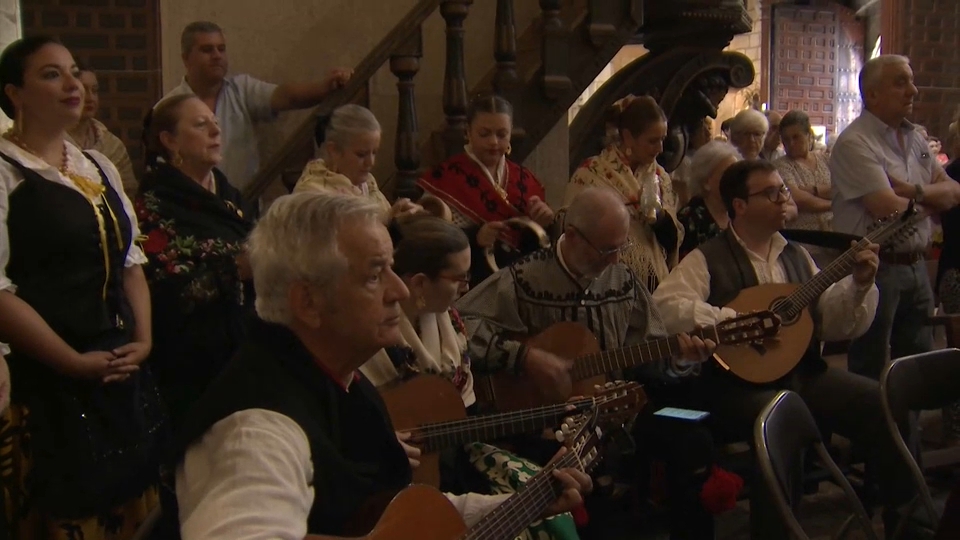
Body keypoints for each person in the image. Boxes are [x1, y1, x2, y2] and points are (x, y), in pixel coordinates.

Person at [167, 192, 592, 539]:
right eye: (374, 275)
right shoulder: (254, 429)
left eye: (393, 268)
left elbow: (393, 516)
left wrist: (519, 504)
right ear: (308, 302)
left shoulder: (342, 383)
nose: (398, 290)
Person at [652, 159, 917, 537]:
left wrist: (859, 285)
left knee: (884, 402)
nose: (783, 198)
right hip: (735, 387)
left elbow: (835, 322)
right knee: (782, 418)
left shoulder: (798, 256)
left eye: (784, 190)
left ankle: (907, 518)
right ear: (740, 205)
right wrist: (735, 321)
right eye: (771, 192)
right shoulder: (706, 257)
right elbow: (666, 307)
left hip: (802, 374)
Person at [456, 187, 725, 540]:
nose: (616, 260)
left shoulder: (625, 281)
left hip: (620, 413)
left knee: (695, 437)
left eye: (621, 247)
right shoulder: (520, 279)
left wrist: (679, 361)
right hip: (547, 424)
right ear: (572, 237)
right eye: (608, 249)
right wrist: (525, 356)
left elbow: (650, 358)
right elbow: (460, 322)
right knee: (588, 492)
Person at [0, 36, 164, 540]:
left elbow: (131, 262)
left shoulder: (96, 165)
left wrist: (144, 339)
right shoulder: (5, 171)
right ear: (15, 94)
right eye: (52, 74)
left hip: (118, 367)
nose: (73, 85)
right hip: (50, 380)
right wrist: (71, 361)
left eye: (74, 71)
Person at [359, 215, 581, 540]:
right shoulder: (365, 341)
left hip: (455, 460)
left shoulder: (450, 324)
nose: (467, 287)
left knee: (547, 505)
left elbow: (466, 418)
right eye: (459, 278)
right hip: (388, 493)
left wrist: (549, 420)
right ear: (419, 283)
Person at [830, 54, 960, 380]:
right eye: (900, 82)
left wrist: (914, 192)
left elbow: (955, 191)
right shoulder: (855, 143)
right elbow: (890, 209)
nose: (913, 91)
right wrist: (930, 198)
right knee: (871, 367)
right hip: (876, 266)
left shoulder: (915, 138)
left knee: (917, 367)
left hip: (915, 265)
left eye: (911, 81)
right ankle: (874, 431)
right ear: (871, 94)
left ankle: (906, 433)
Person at [137, 93, 253, 429]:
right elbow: (163, 293)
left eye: (216, 123)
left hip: (244, 344)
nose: (215, 132)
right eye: (201, 125)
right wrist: (236, 269)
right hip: (191, 362)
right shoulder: (155, 203)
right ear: (169, 141)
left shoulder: (228, 195)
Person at [158, 21, 353, 193]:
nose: (217, 56)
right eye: (207, 50)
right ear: (186, 58)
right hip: (190, 206)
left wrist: (325, 87)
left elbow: (287, 97)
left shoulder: (241, 90)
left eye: (221, 49)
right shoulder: (168, 107)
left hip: (243, 207)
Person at [418, 95, 554, 288]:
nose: (493, 142)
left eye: (501, 134)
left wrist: (543, 224)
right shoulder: (445, 177)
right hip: (468, 284)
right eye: (484, 134)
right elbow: (428, 242)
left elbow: (536, 247)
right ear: (468, 132)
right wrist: (475, 237)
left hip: (519, 283)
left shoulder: (525, 180)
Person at [566, 95, 683, 292]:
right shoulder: (592, 173)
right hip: (605, 285)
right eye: (653, 141)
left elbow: (672, 240)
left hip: (656, 288)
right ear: (628, 137)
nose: (660, 148)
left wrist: (660, 218)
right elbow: (572, 227)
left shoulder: (660, 176)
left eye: (663, 139)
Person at [294, 104, 420, 223]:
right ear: (334, 151)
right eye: (361, 154)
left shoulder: (367, 182)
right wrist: (389, 221)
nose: (371, 162)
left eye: (374, 152)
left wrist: (401, 214)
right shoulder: (311, 194)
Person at [67, 64, 138, 198]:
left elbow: (128, 193)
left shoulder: (112, 145)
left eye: (95, 90)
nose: (90, 98)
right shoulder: (52, 141)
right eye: (82, 90)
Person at [677, 140, 741, 258]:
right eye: (727, 174)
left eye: (737, 173)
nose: (735, 180)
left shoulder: (740, 211)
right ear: (706, 182)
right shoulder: (688, 220)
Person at [774, 110, 833, 234]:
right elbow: (798, 199)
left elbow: (841, 189)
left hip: (834, 232)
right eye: (786, 139)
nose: (791, 143)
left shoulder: (826, 159)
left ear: (808, 135)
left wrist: (812, 190)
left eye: (796, 137)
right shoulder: (781, 166)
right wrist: (834, 204)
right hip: (803, 238)